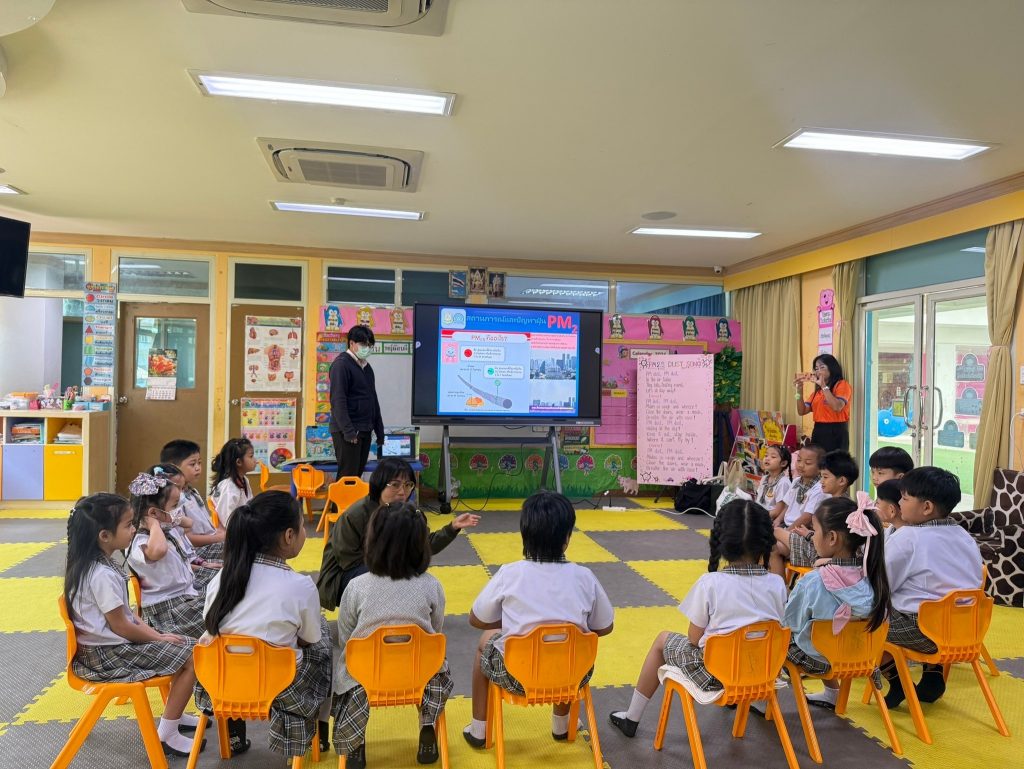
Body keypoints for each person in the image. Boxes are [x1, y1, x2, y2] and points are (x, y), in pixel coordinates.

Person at [608, 500, 785, 737]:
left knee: (662, 640)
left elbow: (693, 637)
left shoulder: (711, 583)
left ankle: (632, 717)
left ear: (721, 541)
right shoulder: (777, 583)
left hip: (715, 676)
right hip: (762, 673)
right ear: (765, 542)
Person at [464, 491, 614, 748]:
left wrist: (510, 623)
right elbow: (605, 626)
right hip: (572, 677)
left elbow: (476, 619)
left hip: (516, 677)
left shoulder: (510, 574)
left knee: (484, 642)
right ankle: (561, 725)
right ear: (567, 538)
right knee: (568, 647)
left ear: (525, 535)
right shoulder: (585, 577)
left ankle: (479, 729)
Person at [63, 493, 202, 758]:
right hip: (109, 656)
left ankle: (175, 714)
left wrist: (159, 635)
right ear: (105, 536)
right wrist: (158, 639)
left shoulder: (98, 564)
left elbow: (129, 616)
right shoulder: (101, 574)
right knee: (194, 656)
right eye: (128, 525)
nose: (133, 530)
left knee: (185, 644)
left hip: (111, 647)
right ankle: (168, 733)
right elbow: (122, 627)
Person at [200, 491, 332, 759]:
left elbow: (211, 624)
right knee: (324, 636)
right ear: (288, 536)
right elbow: (309, 639)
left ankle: (234, 732)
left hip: (221, 683)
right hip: (280, 687)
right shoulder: (300, 586)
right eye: (302, 527)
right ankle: (318, 731)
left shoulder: (222, 577)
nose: (304, 533)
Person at [331, 503, 454, 769]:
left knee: (347, 670)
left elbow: (346, 638)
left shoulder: (356, 587)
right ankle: (428, 725)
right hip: (418, 676)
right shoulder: (432, 585)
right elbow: (436, 630)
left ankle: (354, 742)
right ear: (421, 545)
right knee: (438, 667)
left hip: (365, 679)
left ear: (372, 542)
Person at [317, 458, 479, 611]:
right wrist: (394, 569)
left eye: (408, 485)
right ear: (379, 484)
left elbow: (423, 545)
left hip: (381, 567)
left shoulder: (408, 512)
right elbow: (348, 560)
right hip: (342, 576)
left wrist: (452, 528)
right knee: (400, 578)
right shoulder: (356, 514)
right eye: (395, 485)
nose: (402, 492)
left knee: (416, 578)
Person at [881, 467, 983, 708]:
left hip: (922, 632)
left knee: (863, 621)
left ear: (926, 507)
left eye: (904, 498)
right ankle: (932, 674)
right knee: (931, 605)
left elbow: (881, 585)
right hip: (967, 631)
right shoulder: (963, 535)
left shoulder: (908, 537)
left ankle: (898, 682)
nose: (899, 503)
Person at [783, 494, 891, 708]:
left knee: (780, 639)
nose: (813, 536)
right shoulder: (874, 576)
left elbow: (790, 623)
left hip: (821, 661)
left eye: (815, 530)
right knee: (824, 631)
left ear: (832, 538)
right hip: (863, 658)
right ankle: (831, 694)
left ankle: (771, 701)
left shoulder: (813, 581)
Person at [127, 470, 212, 639]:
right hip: (168, 613)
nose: (178, 510)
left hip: (186, 597)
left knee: (227, 588)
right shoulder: (139, 540)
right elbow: (158, 551)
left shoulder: (167, 526)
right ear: (153, 513)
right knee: (225, 611)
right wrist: (153, 524)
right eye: (174, 506)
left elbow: (188, 522)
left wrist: (170, 516)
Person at [777, 450, 860, 571]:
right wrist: (809, 534)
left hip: (820, 553)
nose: (821, 481)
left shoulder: (840, 507)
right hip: (818, 546)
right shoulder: (834, 502)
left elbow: (833, 542)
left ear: (842, 481)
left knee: (776, 532)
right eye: (821, 476)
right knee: (775, 547)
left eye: (825, 477)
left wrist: (810, 535)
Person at [329, 324, 385, 479]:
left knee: (356, 477)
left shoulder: (367, 368)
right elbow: (338, 401)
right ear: (351, 343)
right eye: (363, 344)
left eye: (370, 345)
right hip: (348, 431)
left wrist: (379, 430)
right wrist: (348, 431)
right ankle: (339, 498)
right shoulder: (341, 364)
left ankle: (352, 499)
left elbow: (373, 400)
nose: (367, 348)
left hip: (364, 429)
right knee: (347, 477)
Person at [161, 439, 225, 560]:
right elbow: (187, 538)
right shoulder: (174, 499)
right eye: (192, 464)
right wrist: (218, 538)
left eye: (199, 463)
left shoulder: (193, 492)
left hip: (211, 542)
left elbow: (206, 525)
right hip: (196, 550)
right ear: (173, 467)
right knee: (240, 550)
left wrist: (218, 533)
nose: (198, 468)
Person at [794, 354, 852, 452]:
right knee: (818, 460)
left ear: (832, 368)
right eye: (816, 368)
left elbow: (837, 407)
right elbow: (802, 411)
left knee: (834, 461)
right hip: (818, 430)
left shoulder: (842, 385)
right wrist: (798, 391)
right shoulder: (817, 392)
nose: (818, 371)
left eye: (822, 367)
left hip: (836, 431)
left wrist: (823, 386)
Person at [769, 444, 826, 528]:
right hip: (786, 524)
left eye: (807, 463)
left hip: (802, 529)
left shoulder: (819, 488)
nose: (801, 465)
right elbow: (788, 506)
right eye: (799, 460)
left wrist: (787, 531)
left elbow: (807, 518)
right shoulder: (796, 481)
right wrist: (778, 520)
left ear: (820, 468)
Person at [209, 438, 255, 525]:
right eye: (251, 456)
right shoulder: (229, 487)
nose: (255, 460)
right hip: (232, 531)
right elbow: (227, 520)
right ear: (239, 462)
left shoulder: (244, 480)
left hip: (243, 526)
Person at [755, 445, 792, 510]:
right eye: (766, 455)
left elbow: (777, 511)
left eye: (773, 457)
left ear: (783, 463)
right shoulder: (764, 478)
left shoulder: (783, 483)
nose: (767, 458)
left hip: (768, 515)